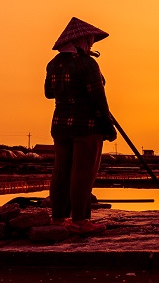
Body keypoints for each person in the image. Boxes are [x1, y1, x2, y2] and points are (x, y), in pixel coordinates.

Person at [44, 17, 116, 233]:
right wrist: (108, 126)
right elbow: (98, 99)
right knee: (83, 173)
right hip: (86, 126)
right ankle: (80, 220)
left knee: (61, 172)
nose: (92, 44)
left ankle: (58, 218)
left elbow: (49, 93)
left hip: (60, 125)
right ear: (80, 40)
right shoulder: (88, 64)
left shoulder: (53, 63)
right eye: (90, 41)